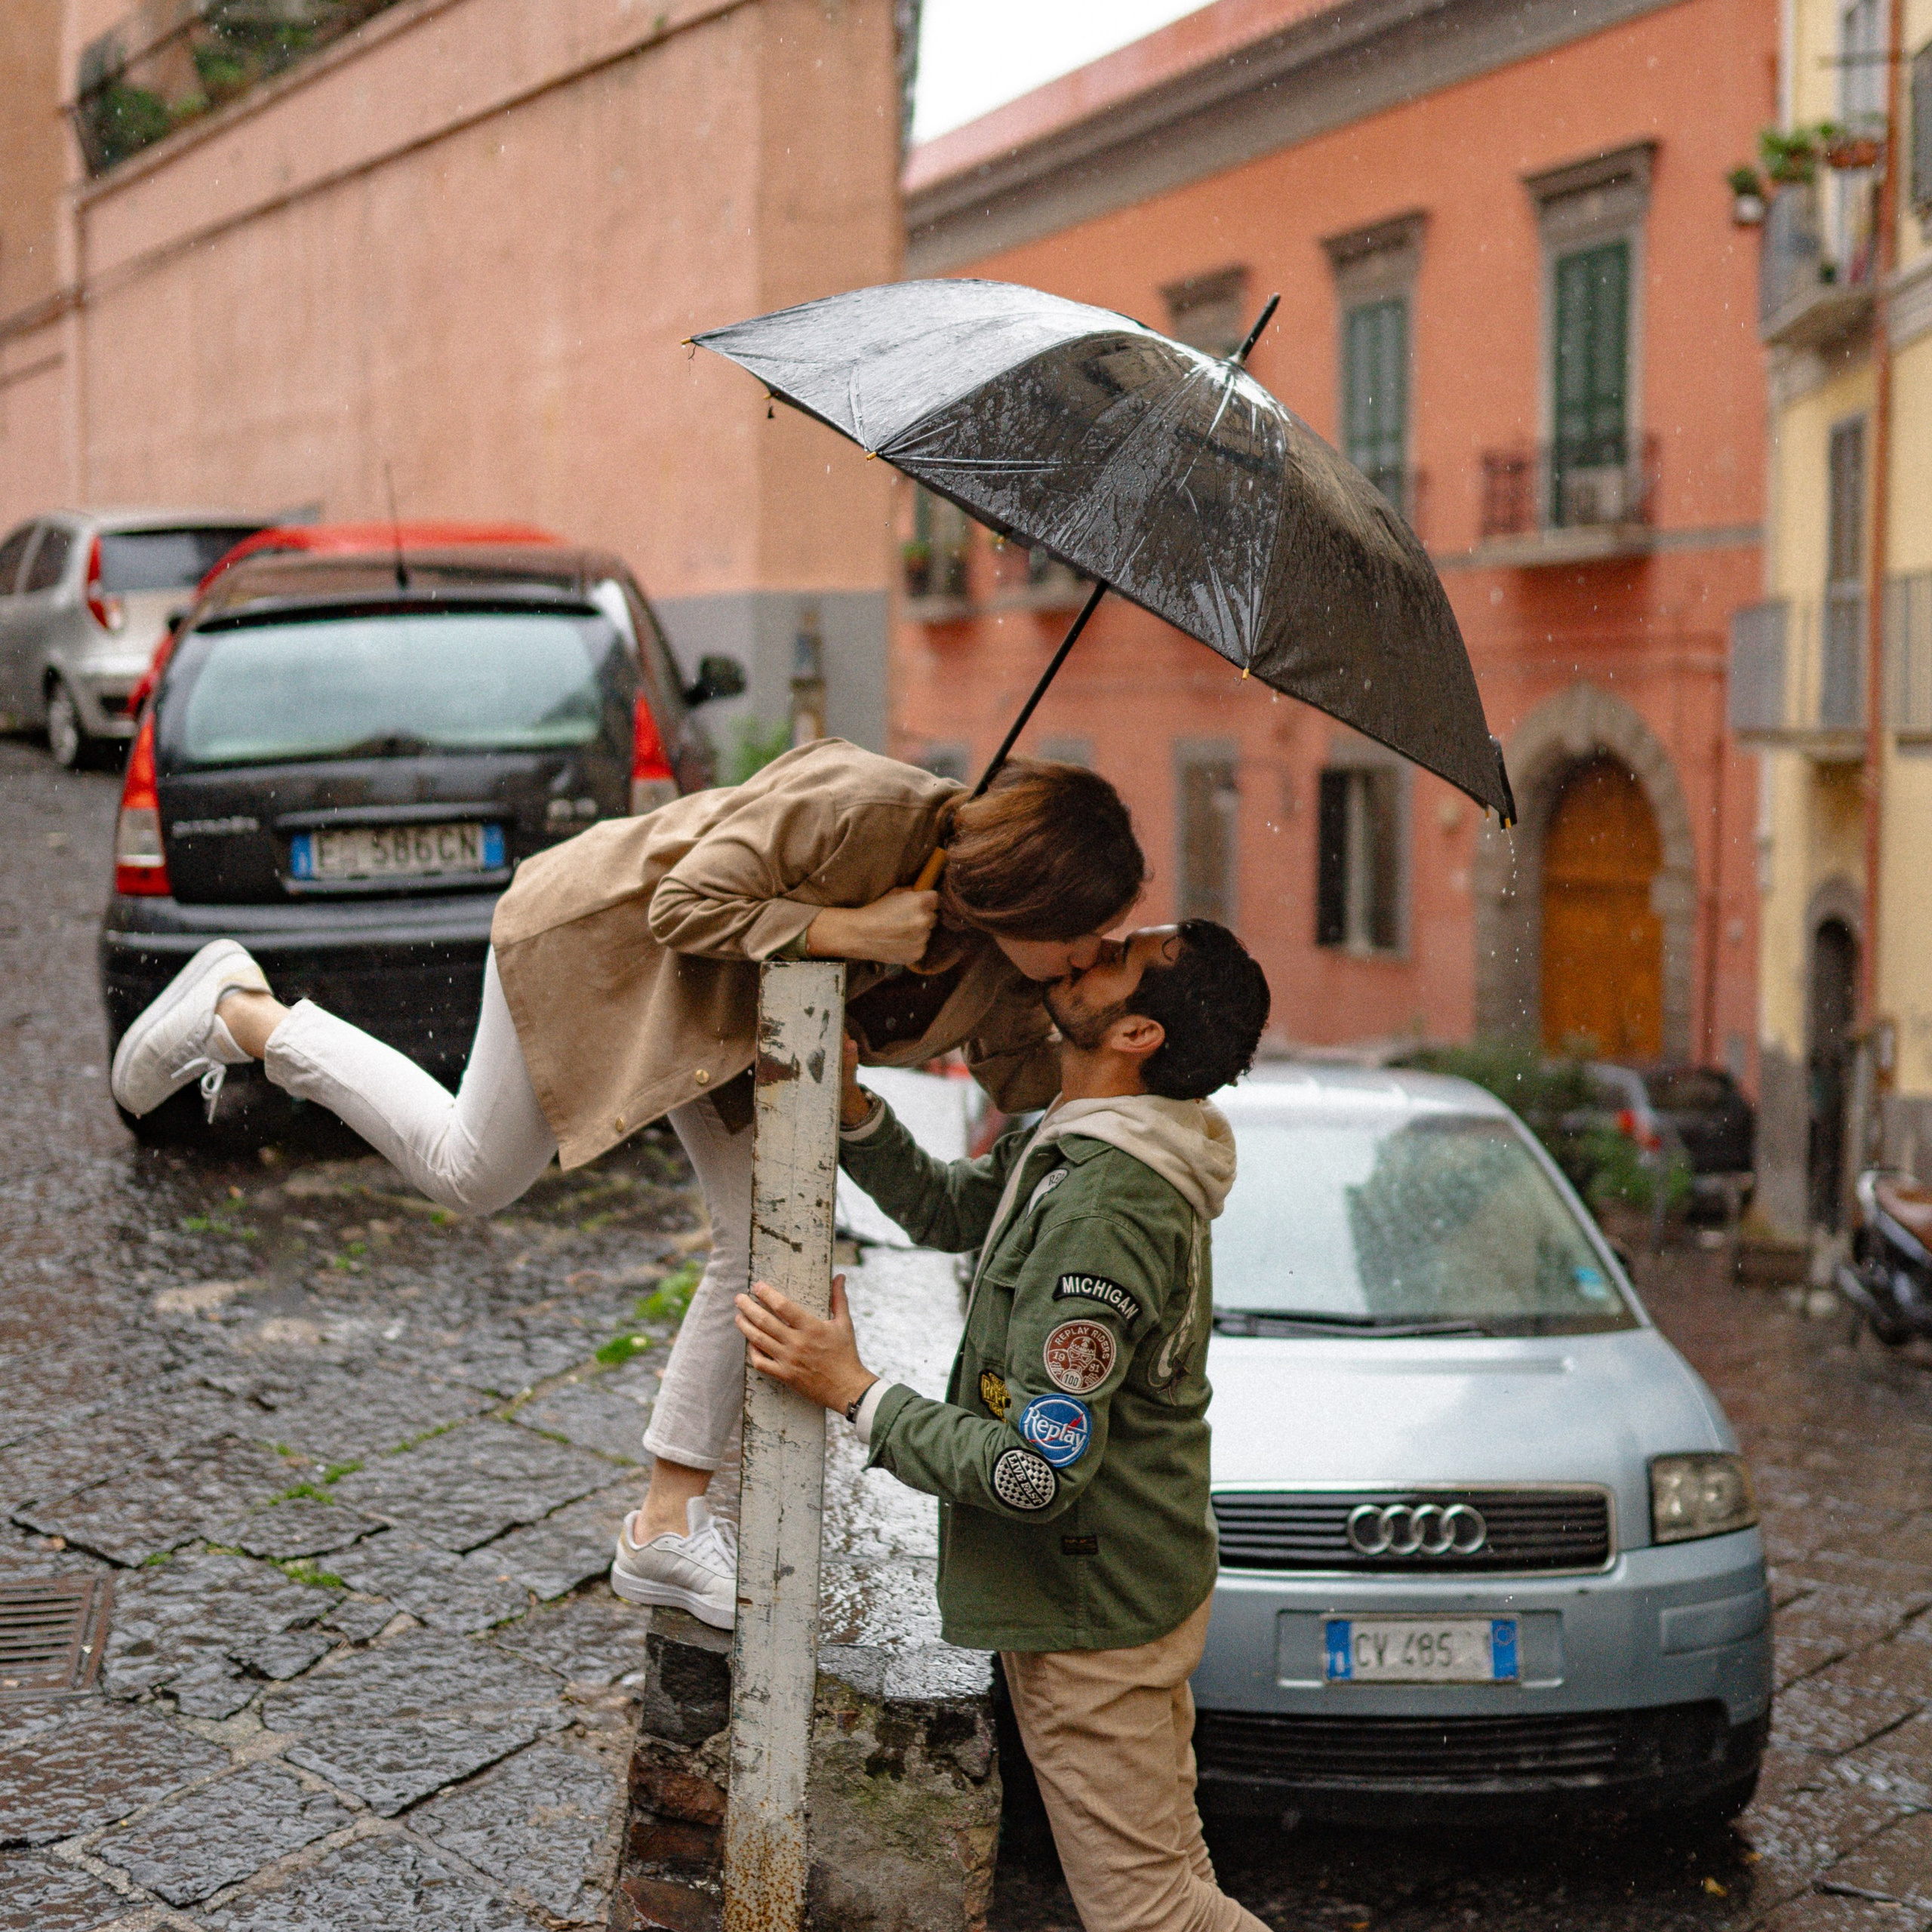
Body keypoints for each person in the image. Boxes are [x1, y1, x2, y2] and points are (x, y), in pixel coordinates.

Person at [109, 737, 1146, 1627]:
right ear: (1026, 892)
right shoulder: (861, 806)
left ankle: (665, 1524)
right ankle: (243, 1013)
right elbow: (685, 903)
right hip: (604, 951)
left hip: (726, 1029)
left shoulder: (1013, 967)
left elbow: (1034, 1083)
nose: (1089, 953)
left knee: (765, 1235)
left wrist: (1142, 1043)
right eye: (1086, 934)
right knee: (471, 1175)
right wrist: (844, 930)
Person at [734, 918, 1272, 1932]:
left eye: (1116, 957)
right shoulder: (1083, 1141)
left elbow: (1035, 1471)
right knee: (1175, 1883)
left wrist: (857, 1391)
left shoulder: (1110, 1203)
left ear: (1138, 1033)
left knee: (1149, 1912)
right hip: (1120, 1581)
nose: (1086, 947)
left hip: (1090, 1606)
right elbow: (954, 1211)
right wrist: (851, 1111)